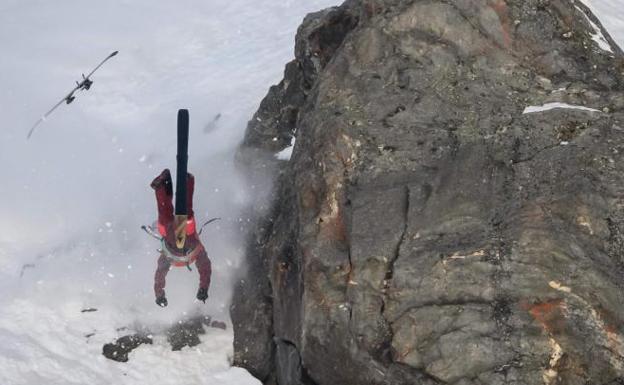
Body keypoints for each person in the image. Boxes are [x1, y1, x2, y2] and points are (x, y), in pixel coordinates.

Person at [150, 168, 211, 307]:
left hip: (171, 233)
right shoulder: (197, 254)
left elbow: (159, 275)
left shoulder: (167, 259)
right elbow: (205, 268)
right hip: (183, 234)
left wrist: (159, 295)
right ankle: (184, 182)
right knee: (182, 216)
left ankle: (164, 186)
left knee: (166, 217)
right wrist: (203, 288)